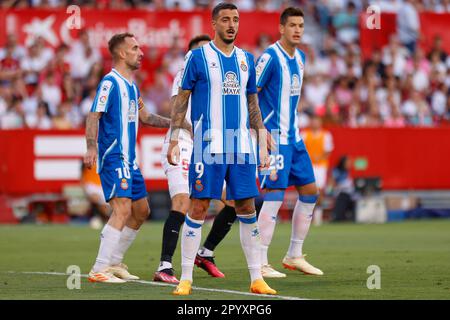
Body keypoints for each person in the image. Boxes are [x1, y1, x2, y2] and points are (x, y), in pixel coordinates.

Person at [167, 2, 276, 296]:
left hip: (241, 146)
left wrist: (262, 133)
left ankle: (256, 278)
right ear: (213, 23)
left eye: (236, 20)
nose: (231, 24)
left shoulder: (246, 60)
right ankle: (186, 277)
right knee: (199, 206)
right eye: (225, 19)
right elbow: (182, 98)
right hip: (208, 145)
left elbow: (252, 102)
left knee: (246, 207)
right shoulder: (198, 58)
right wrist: (175, 136)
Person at [84, 32, 178, 283]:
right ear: (123, 53)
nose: (141, 52)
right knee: (123, 208)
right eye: (135, 48)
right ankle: (99, 269)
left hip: (130, 161)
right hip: (114, 156)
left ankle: (114, 261)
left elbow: (145, 117)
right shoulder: (109, 83)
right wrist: (92, 147)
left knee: (141, 210)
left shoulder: (132, 87)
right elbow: (94, 115)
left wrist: (176, 123)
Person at [155, 34, 238, 284]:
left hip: (209, 145)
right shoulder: (184, 72)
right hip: (183, 142)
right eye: (200, 51)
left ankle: (206, 253)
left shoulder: (217, 76)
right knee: (182, 200)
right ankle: (165, 265)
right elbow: (177, 107)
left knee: (235, 201)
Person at [255, 7, 323, 278]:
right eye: (292, 25)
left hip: (294, 138)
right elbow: (251, 94)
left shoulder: (301, 58)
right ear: (281, 28)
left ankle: (294, 254)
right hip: (274, 139)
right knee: (273, 198)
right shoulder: (270, 57)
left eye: (301, 26)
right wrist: (260, 130)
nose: (297, 30)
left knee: (310, 191)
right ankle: (259, 261)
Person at [302, 114, 334, 225]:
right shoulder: (305, 134)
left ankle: (318, 216)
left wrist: (319, 157)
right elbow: (301, 150)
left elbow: (328, 151)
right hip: (308, 166)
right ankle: (306, 216)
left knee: (319, 191)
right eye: (313, 121)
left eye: (317, 121)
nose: (315, 123)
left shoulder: (326, 135)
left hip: (320, 166)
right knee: (307, 190)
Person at [329, 155, 355, 222]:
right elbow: (332, 183)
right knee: (344, 196)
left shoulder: (347, 171)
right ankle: (338, 216)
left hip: (349, 192)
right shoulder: (336, 171)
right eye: (348, 162)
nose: (349, 164)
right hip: (339, 192)